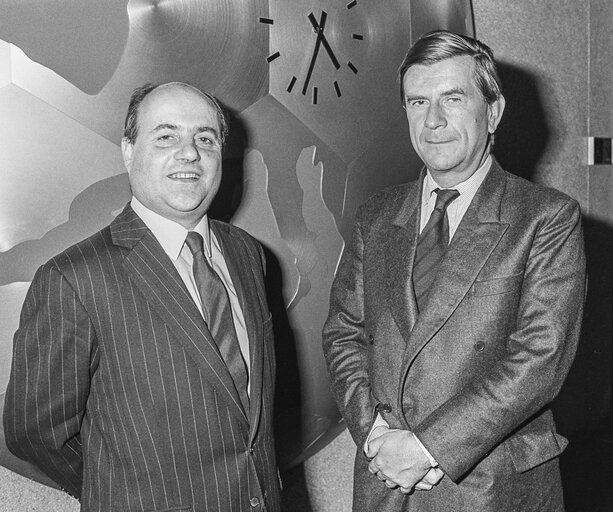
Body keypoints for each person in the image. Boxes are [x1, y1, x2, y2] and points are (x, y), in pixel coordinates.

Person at [323, 30, 586, 511]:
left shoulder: (546, 217)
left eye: (453, 98)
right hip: (385, 480)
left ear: (494, 112)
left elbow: (539, 359)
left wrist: (426, 449)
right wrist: (374, 431)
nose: (434, 120)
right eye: (418, 101)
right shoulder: (375, 216)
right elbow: (344, 332)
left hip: (488, 487)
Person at [4, 82, 281, 512]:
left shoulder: (247, 253)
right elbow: (33, 432)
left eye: (205, 138)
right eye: (166, 136)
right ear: (129, 151)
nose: (190, 153)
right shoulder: (73, 279)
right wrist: (119, 488)